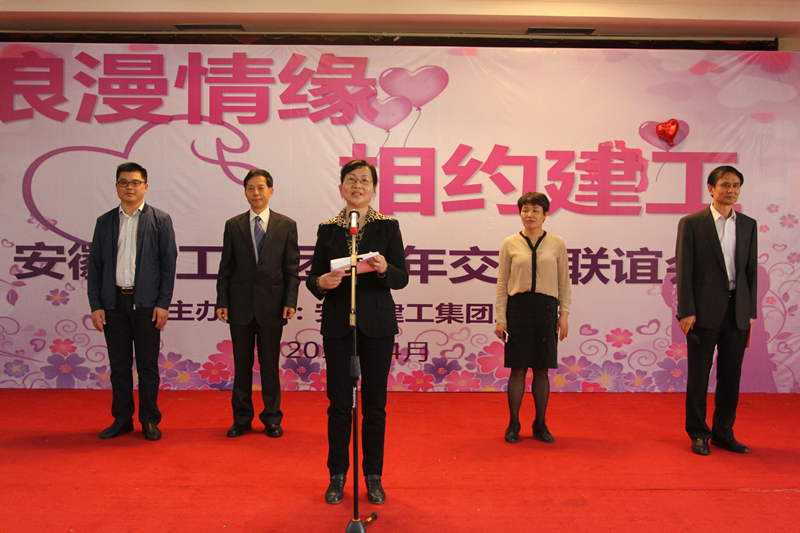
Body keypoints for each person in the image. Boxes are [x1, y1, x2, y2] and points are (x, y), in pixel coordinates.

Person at [306, 159, 408, 506]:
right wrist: (321, 282)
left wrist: (384, 268)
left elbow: (401, 277)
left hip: (377, 326)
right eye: (351, 180)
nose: (358, 186)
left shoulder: (388, 226)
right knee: (338, 404)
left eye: (365, 180)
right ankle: (337, 475)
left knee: (374, 405)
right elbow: (313, 277)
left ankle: (373, 476)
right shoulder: (328, 229)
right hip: (338, 325)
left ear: (374, 188)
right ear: (342, 187)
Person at [88, 162, 178, 441]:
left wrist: (163, 303)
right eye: (124, 182)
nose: (129, 187)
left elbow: (168, 265)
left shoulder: (160, 220)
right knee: (119, 367)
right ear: (116, 187)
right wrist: (96, 305)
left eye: (135, 182)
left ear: (145, 187)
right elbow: (95, 266)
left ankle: (149, 420)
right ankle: (122, 419)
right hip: (113, 304)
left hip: (147, 306)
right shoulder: (105, 222)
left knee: (148, 367)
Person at [676, 165, 757, 456]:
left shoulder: (748, 225)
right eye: (725, 185)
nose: (731, 190)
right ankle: (699, 433)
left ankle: (724, 433)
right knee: (699, 376)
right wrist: (687, 310)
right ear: (711, 189)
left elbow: (750, 272)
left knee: (730, 377)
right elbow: (684, 269)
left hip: (737, 312)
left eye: (736, 185)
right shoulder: (692, 223)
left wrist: (750, 312)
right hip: (702, 312)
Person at [216, 169, 300, 438]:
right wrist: (222, 301)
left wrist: (290, 300)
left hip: (272, 306)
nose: (256, 193)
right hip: (239, 306)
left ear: (270, 191)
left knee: (269, 366)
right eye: (250, 188)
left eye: (261, 188)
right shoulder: (234, 225)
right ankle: (241, 419)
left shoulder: (286, 225)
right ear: (245, 192)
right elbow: (226, 267)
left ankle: (272, 418)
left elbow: (291, 269)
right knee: (241, 366)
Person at [495, 192, 570, 444]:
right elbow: (502, 283)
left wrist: (564, 314)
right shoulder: (510, 243)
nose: (530, 215)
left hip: (546, 309)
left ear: (545, 214)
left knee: (541, 369)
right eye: (525, 210)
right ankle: (513, 424)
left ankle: (540, 423)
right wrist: (501, 318)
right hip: (517, 309)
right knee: (517, 369)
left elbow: (564, 282)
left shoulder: (557, 243)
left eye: (536, 210)